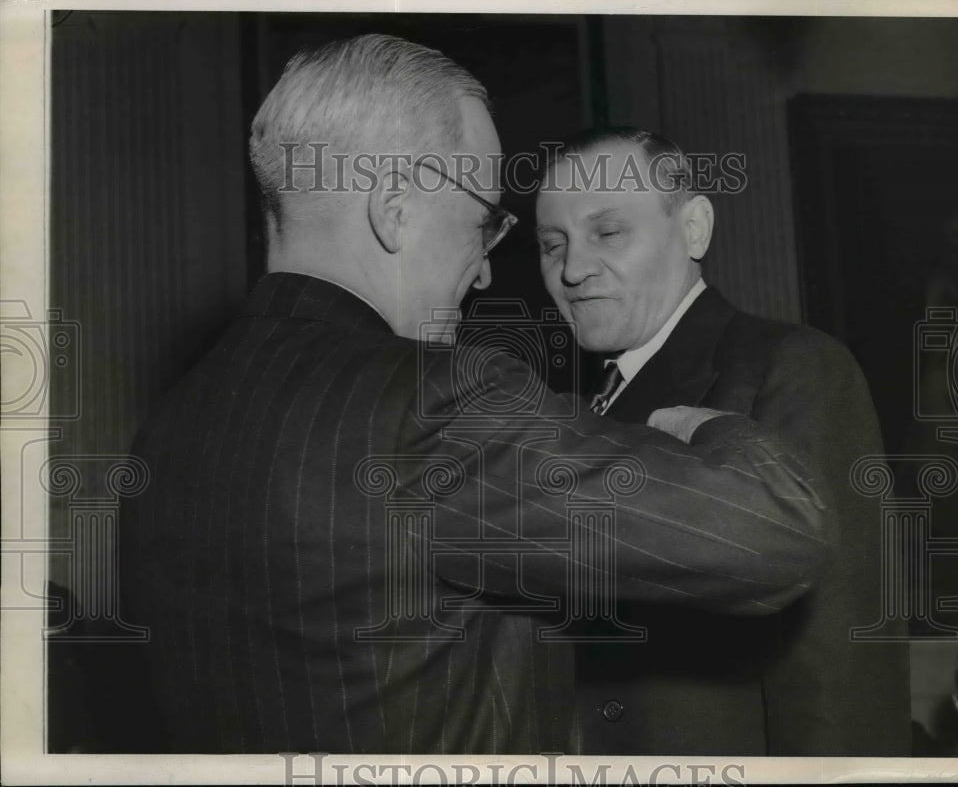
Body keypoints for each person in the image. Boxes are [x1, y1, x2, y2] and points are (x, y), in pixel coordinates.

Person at [119, 38, 832, 755]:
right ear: (394, 211)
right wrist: (707, 428)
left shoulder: (172, 422)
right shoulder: (436, 404)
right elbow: (781, 533)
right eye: (483, 221)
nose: (488, 274)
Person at [535, 126, 911, 755]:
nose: (573, 269)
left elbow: (839, 661)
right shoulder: (565, 403)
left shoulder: (789, 368)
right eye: (552, 245)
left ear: (693, 229)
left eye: (608, 232)